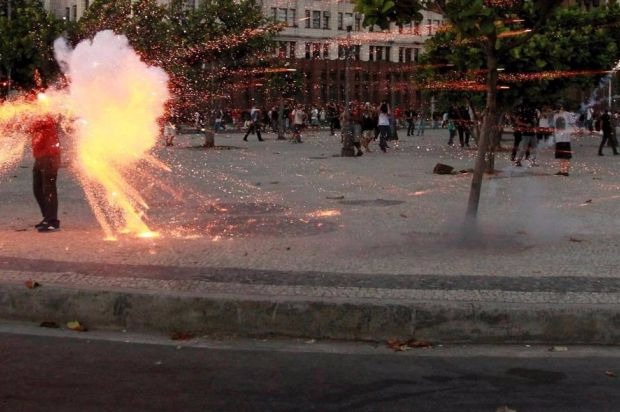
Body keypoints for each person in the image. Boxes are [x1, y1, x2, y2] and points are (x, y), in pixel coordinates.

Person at [29, 114, 62, 232]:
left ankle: (53, 221)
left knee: (49, 190)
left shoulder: (46, 114)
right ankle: (47, 217)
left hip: (50, 156)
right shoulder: (36, 112)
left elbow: (36, 124)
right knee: (37, 188)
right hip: (40, 156)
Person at [553, 105, 572, 176]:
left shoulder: (567, 114)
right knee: (560, 156)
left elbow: (572, 122)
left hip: (566, 139)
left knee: (567, 156)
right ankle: (561, 170)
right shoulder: (555, 116)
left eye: (560, 107)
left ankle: (566, 171)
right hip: (558, 139)